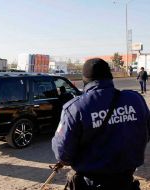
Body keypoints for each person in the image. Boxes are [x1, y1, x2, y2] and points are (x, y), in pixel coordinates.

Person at [52, 58, 150, 190]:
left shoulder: (75, 108)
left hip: (91, 182)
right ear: (109, 76)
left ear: (85, 79)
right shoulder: (135, 99)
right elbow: (147, 133)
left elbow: (63, 154)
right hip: (125, 180)